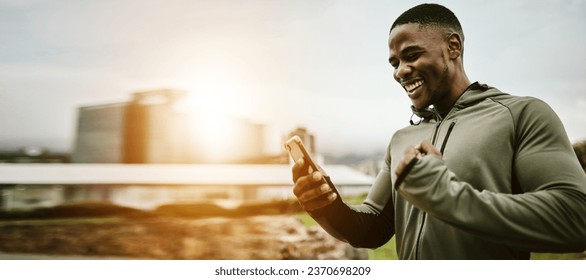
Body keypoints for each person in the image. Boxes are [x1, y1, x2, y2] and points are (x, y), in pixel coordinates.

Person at [291, 3, 586, 259]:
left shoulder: (521, 115)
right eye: (395, 63)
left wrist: (447, 195)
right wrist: (327, 206)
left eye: (412, 55)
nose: (400, 71)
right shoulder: (401, 140)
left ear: (453, 46)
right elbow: (370, 230)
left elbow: (576, 218)